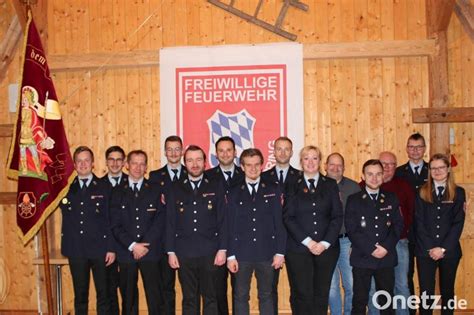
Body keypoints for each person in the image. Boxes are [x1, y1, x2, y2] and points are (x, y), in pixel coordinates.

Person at [166, 145, 227, 315]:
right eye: (190, 160)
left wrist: (223, 249)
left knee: (211, 298)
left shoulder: (216, 185)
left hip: (210, 251)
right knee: (189, 298)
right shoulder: (175, 187)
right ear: (185, 163)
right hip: (184, 252)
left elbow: (223, 220)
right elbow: (170, 221)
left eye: (199, 160)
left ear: (205, 162)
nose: (194, 164)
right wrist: (170, 251)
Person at [283, 145, 343, 314]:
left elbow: (337, 216)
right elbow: (288, 217)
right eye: (306, 158)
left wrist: (324, 243)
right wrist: (309, 242)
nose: (310, 162)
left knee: (321, 294)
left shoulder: (330, 184)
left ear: (320, 161)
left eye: (314, 158)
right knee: (303, 294)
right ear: (301, 161)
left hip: (327, 250)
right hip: (298, 249)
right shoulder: (292, 184)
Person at [227, 148, 286, 315]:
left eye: (256, 165)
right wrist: (230, 255)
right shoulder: (233, 191)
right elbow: (229, 225)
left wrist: (280, 252)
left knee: (267, 295)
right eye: (248, 165)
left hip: (267, 252)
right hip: (241, 253)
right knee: (240, 296)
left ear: (262, 165)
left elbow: (279, 223)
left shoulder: (273, 189)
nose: (253, 169)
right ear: (242, 167)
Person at [60, 146, 115, 315]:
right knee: (80, 295)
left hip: (100, 249)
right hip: (76, 249)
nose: (83, 164)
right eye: (79, 161)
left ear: (92, 163)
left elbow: (111, 220)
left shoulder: (105, 187)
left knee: (103, 295)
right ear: (75, 165)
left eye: (87, 160)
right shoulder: (64, 189)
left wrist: (111, 248)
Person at [111, 150, 166, 315]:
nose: (138, 167)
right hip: (126, 252)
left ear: (146, 167)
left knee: (155, 297)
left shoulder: (155, 190)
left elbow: (160, 220)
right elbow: (114, 224)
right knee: (128, 298)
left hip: (150, 252)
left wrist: (144, 245)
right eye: (134, 163)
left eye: (142, 163)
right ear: (127, 165)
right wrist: (133, 245)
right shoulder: (117, 191)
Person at [345, 159, 403, 315]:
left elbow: (398, 226)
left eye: (378, 174)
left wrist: (385, 247)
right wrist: (371, 249)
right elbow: (352, 229)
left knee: (386, 301)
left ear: (383, 176)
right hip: (363, 257)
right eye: (370, 174)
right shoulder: (354, 200)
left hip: (386, 256)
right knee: (359, 300)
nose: (374, 178)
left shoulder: (391, 198)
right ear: (363, 176)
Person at [415, 154, 465, 315]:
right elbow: (419, 222)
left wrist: (442, 248)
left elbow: (458, 223)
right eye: (433, 168)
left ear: (448, 169)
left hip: (449, 251)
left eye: (441, 167)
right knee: (426, 293)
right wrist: (431, 248)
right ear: (429, 171)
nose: (437, 171)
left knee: (448, 292)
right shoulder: (421, 192)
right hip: (425, 250)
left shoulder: (458, 192)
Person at [366, 152, 414, 315]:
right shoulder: (362, 187)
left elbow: (410, 213)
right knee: (373, 287)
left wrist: (397, 235)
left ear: (396, 167)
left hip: (399, 242)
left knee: (401, 284)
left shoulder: (404, 186)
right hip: (372, 246)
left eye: (391, 164)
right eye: (383, 164)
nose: (386, 167)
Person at [204, 136, 244, 315]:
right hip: (216, 243)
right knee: (218, 290)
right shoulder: (207, 177)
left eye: (229, 150)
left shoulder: (245, 175)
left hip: (240, 242)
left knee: (240, 291)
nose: (225, 154)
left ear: (235, 153)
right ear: (216, 154)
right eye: (221, 150)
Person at [261, 136, 300, 314]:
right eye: (279, 149)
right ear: (273, 151)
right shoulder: (263, 177)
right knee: (269, 288)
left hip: (295, 241)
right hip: (271, 240)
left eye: (286, 149)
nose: (283, 152)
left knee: (298, 287)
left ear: (291, 152)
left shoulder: (300, 177)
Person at [99, 146, 140, 315]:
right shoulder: (98, 184)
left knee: (129, 291)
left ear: (124, 163)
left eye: (118, 160)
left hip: (126, 247)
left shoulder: (131, 182)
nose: (115, 163)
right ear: (106, 161)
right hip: (105, 247)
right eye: (111, 159)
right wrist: (109, 246)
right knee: (108, 290)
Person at [149, 135, 187, 315]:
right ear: (165, 152)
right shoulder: (155, 177)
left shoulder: (193, 173)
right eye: (170, 149)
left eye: (177, 149)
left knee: (191, 290)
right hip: (165, 242)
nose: (173, 153)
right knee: (166, 287)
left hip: (189, 242)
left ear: (182, 151)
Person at [395, 132, 429, 307]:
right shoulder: (399, 172)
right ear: (407, 149)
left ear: (424, 149)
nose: (415, 150)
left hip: (427, 233)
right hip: (406, 233)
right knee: (405, 275)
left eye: (419, 147)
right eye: (411, 147)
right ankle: (409, 311)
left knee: (425, 278)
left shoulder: (433, 171)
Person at [326, 152, 361, 315]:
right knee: (332, 287)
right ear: (325, 166)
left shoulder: (354, 188)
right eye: (332, 164)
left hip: (347, 241)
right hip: (327, 243)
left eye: (339, 165)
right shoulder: (319, 185)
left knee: (351, 284)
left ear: (344, 168)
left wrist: (357, 243)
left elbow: (361, 217)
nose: (335, 168)